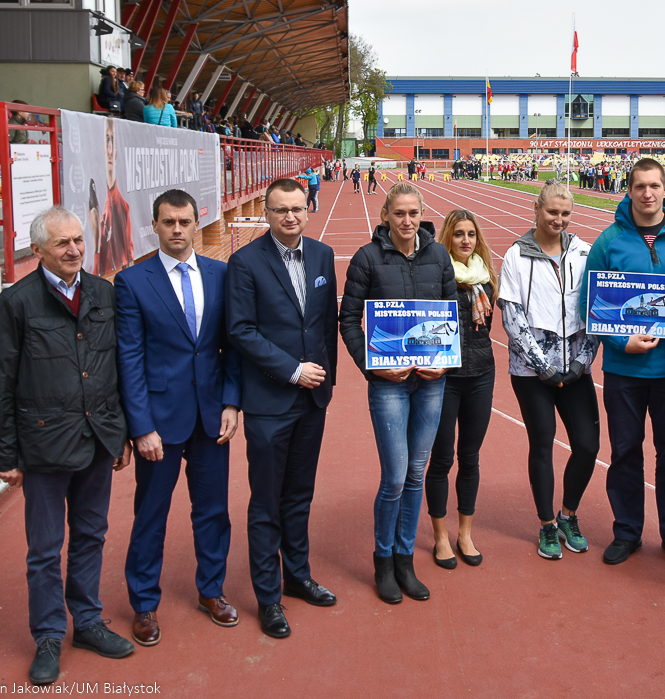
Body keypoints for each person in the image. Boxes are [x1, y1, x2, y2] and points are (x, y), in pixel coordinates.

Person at [0, 206, 135, 686]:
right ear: (38, 251)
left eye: (78, 241)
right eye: (62, 243)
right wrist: (5, 455)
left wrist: (122, 432)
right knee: (45, 550)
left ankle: (87, 622)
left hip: (97, 441)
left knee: (91, 536)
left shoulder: (104, 294)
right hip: (44, 446)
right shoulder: (14, 305)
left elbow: (117, 370)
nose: (74, 250)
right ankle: (48, 634)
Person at [116, 190, 243, 647]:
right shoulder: (132, 282)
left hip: (212, 417)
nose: (177, 229)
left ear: (195, 223)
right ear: (155, 225)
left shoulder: (221, 275)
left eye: (185, 222)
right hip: (160, 423)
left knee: (213, 511)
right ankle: (144, 603)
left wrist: (231, 402)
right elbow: (129, 358)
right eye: (168, 222)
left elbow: (232, 347)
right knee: (151, 513)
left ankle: (212, 590)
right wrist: (141, 426)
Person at [226, 178, 341, 639]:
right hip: (271, 401)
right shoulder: (245, 262)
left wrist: (324, 378)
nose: (290, 217)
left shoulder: (322, 255)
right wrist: (293, 370)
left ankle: (297, 575)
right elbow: (240, 330)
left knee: (300, 495)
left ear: (307, 209)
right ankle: (268, 596)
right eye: (280, 210)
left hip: (313, 400)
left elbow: (323, 321)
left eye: (297, 208)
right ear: (267, 214)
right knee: (266, 502)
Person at [582, 157, 665, 571]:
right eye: (640, 187)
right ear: (629, 190)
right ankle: (627, 531)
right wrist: (621, 341)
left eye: (655, 186)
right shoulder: (608, 241)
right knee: (624, 453)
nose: (648, 194)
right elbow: (591, 302)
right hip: (624, 370)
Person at [340, 182, 456, 604]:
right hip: (387, 384)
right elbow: (349, 320)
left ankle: (406, 558)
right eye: (398, 214)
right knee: (394, 476)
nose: (406, 221)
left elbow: (450, 313)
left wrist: (446, 360)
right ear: (386, 214)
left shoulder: (439, 255)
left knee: (416, 473)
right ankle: (383, 559)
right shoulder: (368, 258)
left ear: (422, 213)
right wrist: (373, 364)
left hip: (430, 382)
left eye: (413, 213)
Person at [500, 182, 600, 560]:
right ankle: (546, 525)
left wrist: (580, 362)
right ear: (536, 210)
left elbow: (597, 309)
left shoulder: (584, 252)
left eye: (565, 214)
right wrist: (543, 367)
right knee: (542, 442)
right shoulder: (516, 256)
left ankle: (568, 514)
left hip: (576, 369)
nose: (558, 220)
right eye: (551, 212)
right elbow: (512, 316)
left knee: (588, 446)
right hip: (531, 374)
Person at [426, 209, 497, 569]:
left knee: (470, 457)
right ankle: (440, 535)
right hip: (445, 378)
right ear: (447, 238)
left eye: (471, 234)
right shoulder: (438, 276)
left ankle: (464, 532)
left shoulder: (486, 276)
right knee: (442, 459)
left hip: (482, 375)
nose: (466, 240)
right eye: (458, 235)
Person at [97, 117, 134, 276]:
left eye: (112, 139)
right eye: (106, 139)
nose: (110, 149)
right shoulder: (95, 206)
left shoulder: (123, 207)